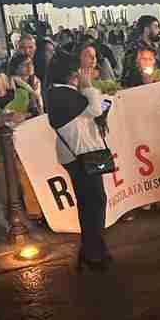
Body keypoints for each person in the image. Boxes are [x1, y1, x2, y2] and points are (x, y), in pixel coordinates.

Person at [47, 52, 111, 271]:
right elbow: (95, 109)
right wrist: (88, 86)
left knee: (89, 204)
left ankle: (91, 248)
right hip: (80, 156)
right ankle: (94, 252)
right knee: (94, 204)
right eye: (79, 70)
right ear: (71, 73)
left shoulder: (60, 93)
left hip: (78, 154)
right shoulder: (62, 94)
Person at [0, 65, 42, 227]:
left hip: (25, 150)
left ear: (5, 77)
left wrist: (24, 115)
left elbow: (36, 114)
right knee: (6, 191)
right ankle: (14, 224)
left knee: (30, 186)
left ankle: (37, 218)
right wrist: (7, 117)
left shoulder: (22, 94)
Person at [120, 15, 160, 86]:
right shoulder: (135, 48)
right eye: (155, 27)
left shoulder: (153, 47)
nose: (158, 30)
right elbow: (129, 74)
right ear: (146, 29)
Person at [8, 52, 44, 116]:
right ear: (15, 68)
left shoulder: (35, 80)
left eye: (31, 63)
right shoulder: (12, 81)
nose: (30, 66)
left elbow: (38, 100)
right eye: (25, 64)